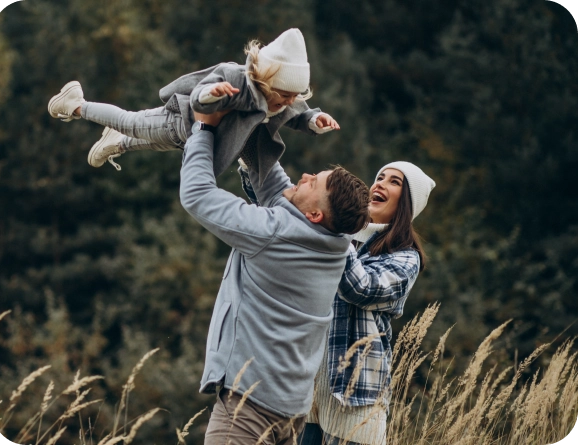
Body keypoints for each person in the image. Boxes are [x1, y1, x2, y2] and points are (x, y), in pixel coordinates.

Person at [180, 109, 370, 445]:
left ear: (314, 214)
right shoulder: (335, 244)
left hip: (247, 410)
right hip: (289, 411)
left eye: (315, 183)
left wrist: (203, 126)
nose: (307, 175)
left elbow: (196, 195)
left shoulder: (276, 232)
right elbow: (268, 175)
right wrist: (259, 107)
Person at [241, 161, 435, 444]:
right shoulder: (337, 238)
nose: (379, 183)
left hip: (355, 402)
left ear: (407, 204)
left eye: (394, 182)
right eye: (379, 177)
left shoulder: (404, 257)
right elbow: (286, 210)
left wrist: (339, 228)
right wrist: (254, 159)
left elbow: (361, 288)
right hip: (306, 395)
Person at [47, 28, 339, 181]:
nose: (289, 101)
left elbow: (296, 112)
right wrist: (212, 94)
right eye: (285, 94)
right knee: (129, 121)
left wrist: (314, 120)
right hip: (182, 120)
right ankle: (75, 104)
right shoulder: (237, 79)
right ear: (268, 79)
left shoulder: (283, 100)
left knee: (157, 144)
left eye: (295, 95)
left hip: (198, 139)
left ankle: (118, 143)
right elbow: (201, 95)